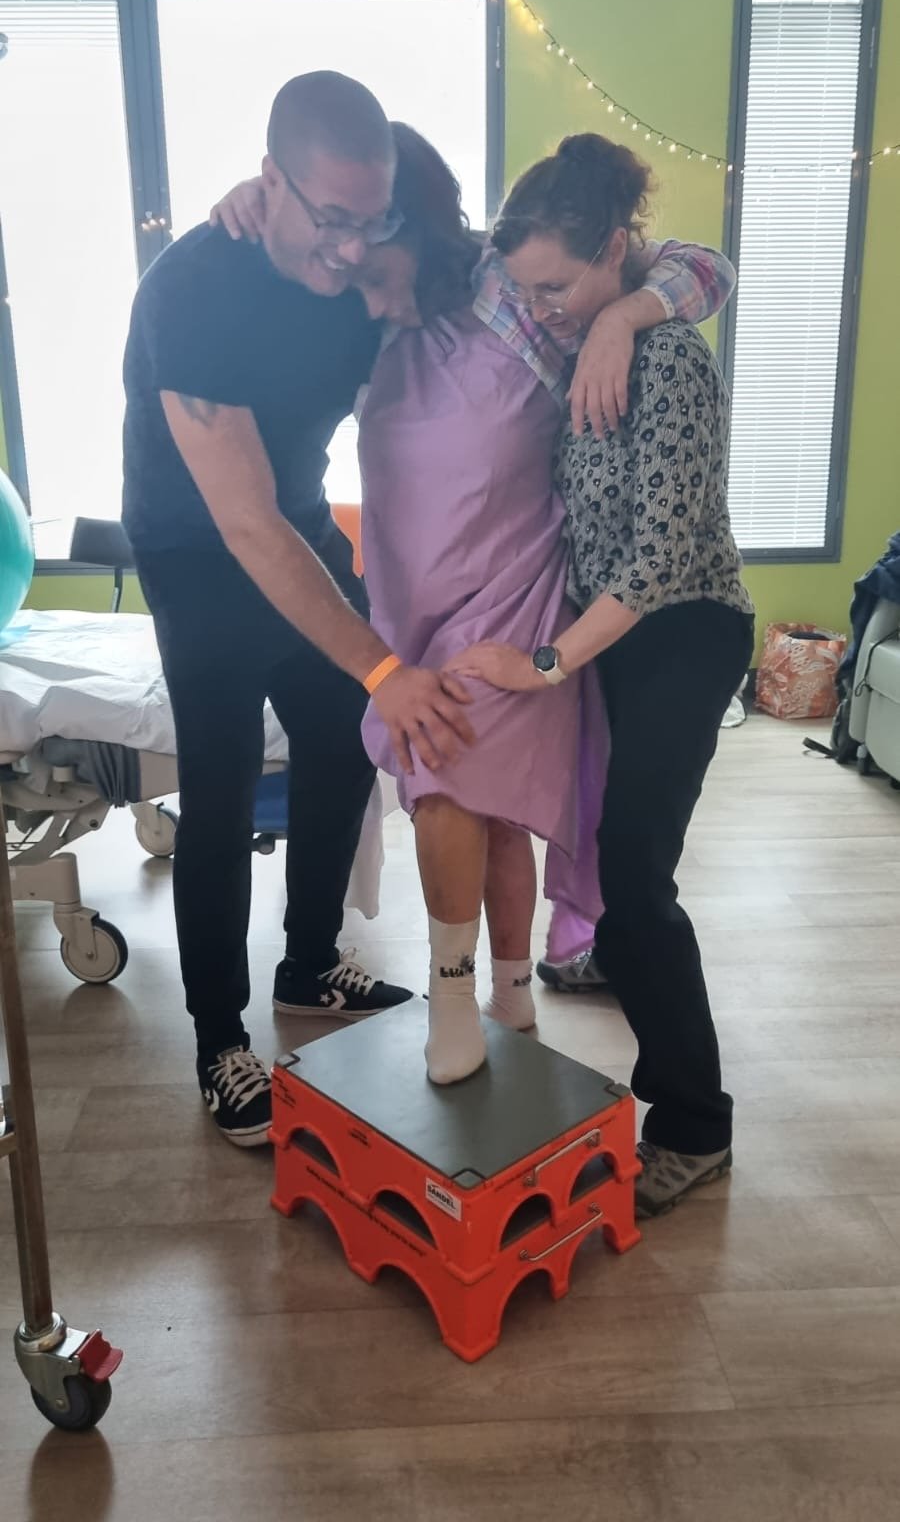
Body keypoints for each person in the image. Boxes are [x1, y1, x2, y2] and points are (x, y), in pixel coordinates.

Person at [213, 126, 735, 1090]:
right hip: (410, 591)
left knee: (458, 784)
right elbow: (283, 274)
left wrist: (624, 317)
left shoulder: (518, 290)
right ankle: (512, 995)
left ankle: (459, 998)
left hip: (510, 586)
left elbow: (707, 267)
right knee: (486, 815)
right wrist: (247, 210)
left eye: (376, 266)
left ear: (415, 227)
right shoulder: (360, 310)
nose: (366, 297)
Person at [122, 71, 475, 1148]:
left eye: (367, 224)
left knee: (343, 739)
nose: (349, 252)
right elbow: (245, 525)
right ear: (268, 181)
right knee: (223, 793)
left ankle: (312, 960)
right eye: (327, 220)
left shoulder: (365, 259)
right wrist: (384, 663)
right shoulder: (192, 292)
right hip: (198, 542)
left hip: (300, 518)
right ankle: (219, 1038)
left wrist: (632, 312)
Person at [448, 134, 755, 1215]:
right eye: (530, 288)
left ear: (618, 250)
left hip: (684, 627)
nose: (545, 307)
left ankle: (695, 1122)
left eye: (563, 285)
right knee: (607, 847)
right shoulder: (571, 325)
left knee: (638, 874)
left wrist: (545, 662)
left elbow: (664, 554)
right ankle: (611, 953)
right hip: (613, 637)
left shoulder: (670, 357)